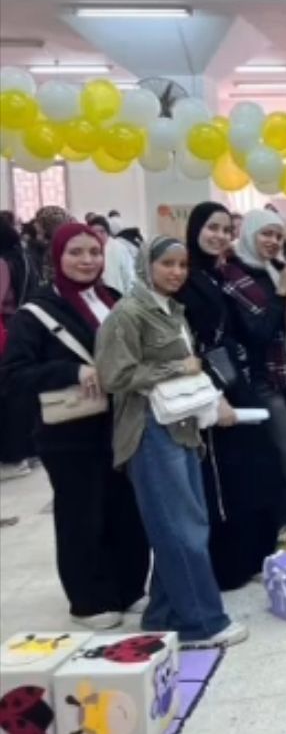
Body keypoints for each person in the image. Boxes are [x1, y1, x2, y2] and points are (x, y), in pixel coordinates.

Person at [96, 236, 248, 648]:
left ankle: (163, 614)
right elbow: (113, 375)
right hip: (148, 430)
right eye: (167, 264)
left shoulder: (172, 310)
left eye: (182, 265)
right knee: (182, 528)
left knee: (184, 523)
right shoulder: (128, 314)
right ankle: (202, 623)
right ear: (147, 265)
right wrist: (175, 368)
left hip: (180, 426)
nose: (177, 272)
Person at [0, 223, 150, 629]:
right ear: (57, 257)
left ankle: (129, 587)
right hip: (69, 433)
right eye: (76, 253)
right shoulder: (36, 313)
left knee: (125, 509)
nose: (87, 260)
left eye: (94, 252)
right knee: (82, 514)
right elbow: (13, 375)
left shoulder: (112, 298)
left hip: (120, 424)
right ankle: (89, 599)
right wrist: (71, 370)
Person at [177, 203, 286, 589]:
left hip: (235, 382)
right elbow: (188, 342)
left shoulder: (216, 274)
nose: (220, 236)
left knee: (254, 470)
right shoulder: (186, 277)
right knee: (226, 479)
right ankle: (228, 567)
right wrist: (212, 392)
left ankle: (253, 556)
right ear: (195, 229)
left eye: (226, 229)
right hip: (209, 389)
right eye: (212, 228)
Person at [223, 208, 286, 525]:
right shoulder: (234, 276)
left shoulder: (277, 268)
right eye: (266, 234)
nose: (273, 241)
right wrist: (282, 294)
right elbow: (258, 333)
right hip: (261, 381)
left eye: (278, 236)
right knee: (285, 460)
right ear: (249, 234)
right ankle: (277, 529)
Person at [1, 212, 39, 480]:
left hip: (7, 327)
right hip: (22, 323)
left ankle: (14, 456)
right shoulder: (23, 256)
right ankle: (27, 450)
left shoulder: (3, 262)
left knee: (8, 395)